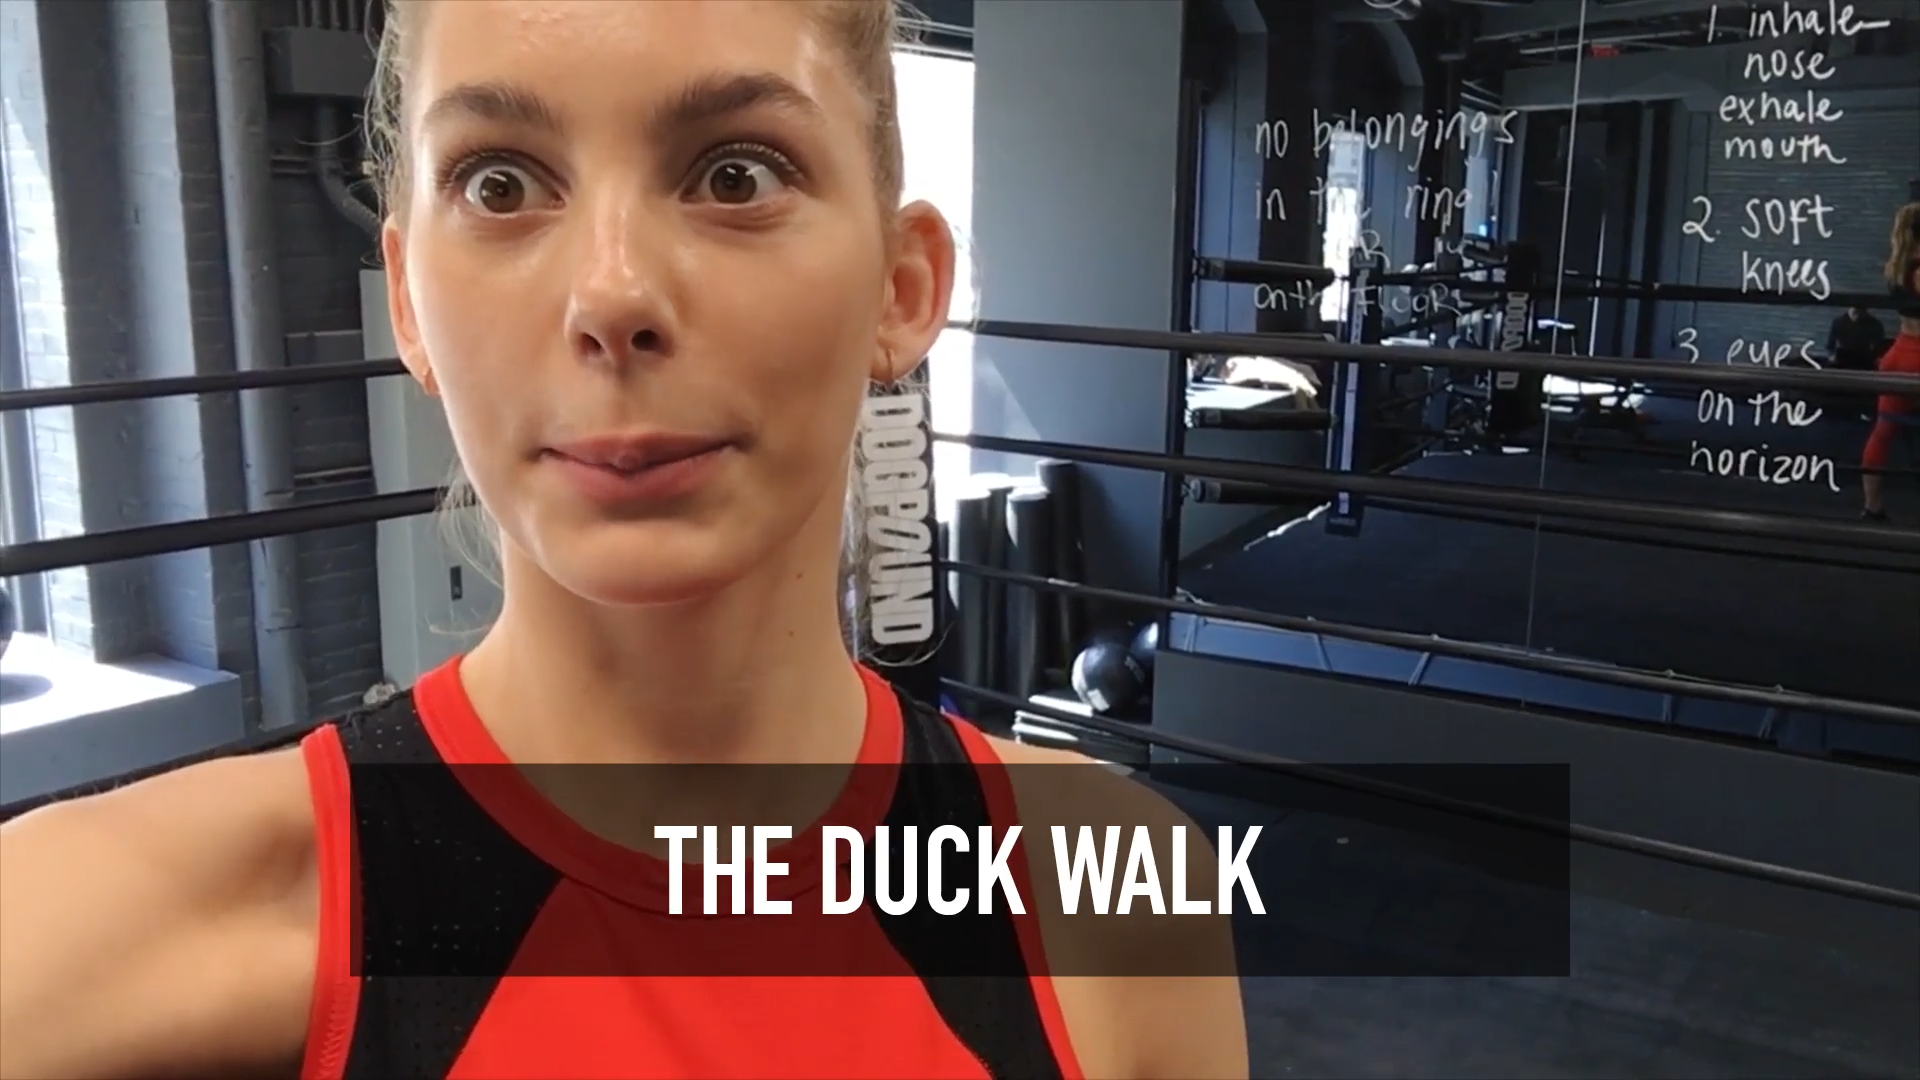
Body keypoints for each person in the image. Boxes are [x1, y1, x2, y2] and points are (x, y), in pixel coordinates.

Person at [0, 3, 1248, 1078]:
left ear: (901, 288)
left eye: (736, 175)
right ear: (409, 302)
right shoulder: (85, 934)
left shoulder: (1118, 894)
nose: (611, 295)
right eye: (500, 183)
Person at [1863, 202, 1920, 523]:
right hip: (1917, 356)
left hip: (1898, 352)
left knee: (1883, 433)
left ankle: (1872, 506)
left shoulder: (1896, 265)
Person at [1825, 306, 1885, 372]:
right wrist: (1832, 357)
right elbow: (1830, 346)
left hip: (1865, 364)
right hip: (1843, 364)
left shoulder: (1875, 324)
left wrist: (1876, 359)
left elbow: (1880, 348)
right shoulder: (1838, 322)